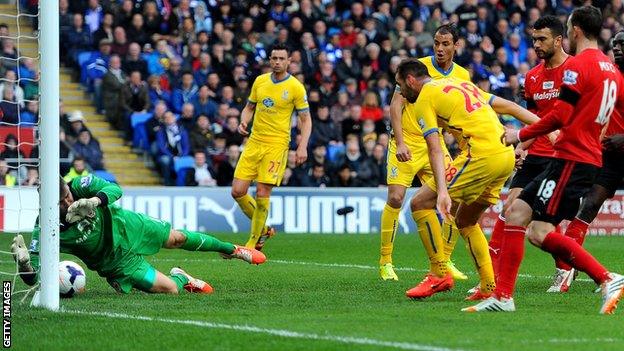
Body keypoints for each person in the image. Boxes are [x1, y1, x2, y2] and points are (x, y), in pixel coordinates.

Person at [469, 6, 624, 314]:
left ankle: (606, 278)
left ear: (575, 30)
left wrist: (520, 134)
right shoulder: (612, 70)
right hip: (585, 156)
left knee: (519, 217)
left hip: (572, 157)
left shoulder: (577, 66)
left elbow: (560, 116)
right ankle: (504, 296)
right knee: (532, 226)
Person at [394, 58, 538, 300]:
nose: (400, 92)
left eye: (400, 85)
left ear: (410, 80)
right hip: (505, 155)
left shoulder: (424, 99)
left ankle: (438, 274)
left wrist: (441, 191)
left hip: (481, 154)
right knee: (465, 220)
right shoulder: (461, 84)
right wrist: (547, 128)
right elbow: (510, 106)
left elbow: (435, 149)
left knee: (419, 203)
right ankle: (488, 287)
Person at [11, 175, 265, 295]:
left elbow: (115, 188)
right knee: (169, 291)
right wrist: (24, 264)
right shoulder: (45, 228)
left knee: (176, 238)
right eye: (62, 201)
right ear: (48, 205)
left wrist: (95, 201)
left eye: (67, 194)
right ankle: (180, 277)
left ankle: (232, 249)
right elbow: (34, 277)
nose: (68, 200)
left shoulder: (80, 186)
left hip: (128, 226)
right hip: (115, 262)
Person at [379, 24, 472, 282]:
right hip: (407, 140)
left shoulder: (462, 75)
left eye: (445, 44)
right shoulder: (418, 68)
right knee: (396, 198)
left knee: (452, 197)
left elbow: (458, 113)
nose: (440, 49)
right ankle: (386, 261)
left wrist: (464, 143)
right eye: (436, 43)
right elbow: (395, 105)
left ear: (456, 45)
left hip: (435, 142)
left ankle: (445, 259)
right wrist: (399, 142)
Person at [485, 16, 571, 294]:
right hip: (536, 152)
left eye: (542, 39)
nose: (536, 44)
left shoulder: (574, 70)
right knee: (510, 208)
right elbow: (534, 119)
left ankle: (564, 269)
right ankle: (492, 275)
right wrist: (522, 146)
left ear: (559, 40)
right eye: (534, 39)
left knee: (541, 221)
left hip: (562, 154)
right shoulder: (532, 77)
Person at [553, 29, 624, 293]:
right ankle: (566, 271)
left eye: (622, 44)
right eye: (614, 44)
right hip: (608, 156)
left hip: (618, 147)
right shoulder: (609, 75)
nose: (617, 48)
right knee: (589, 205)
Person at [231, 43, 312, 252]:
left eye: (281, 59)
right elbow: (249, 107)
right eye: (274, 58)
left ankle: (252, 242)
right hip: (254, 142)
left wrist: (302, 146)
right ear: (270, 60)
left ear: (288, 62)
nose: (277, 62)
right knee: (237, 191)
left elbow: (306, 120)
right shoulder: (260, 81)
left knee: (262, 191)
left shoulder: (295, 87)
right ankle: (265, 229)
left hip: (276, 145)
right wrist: (243, 121)